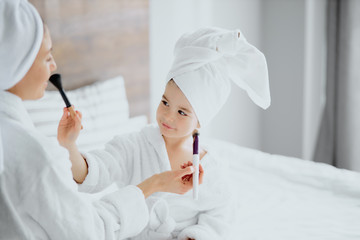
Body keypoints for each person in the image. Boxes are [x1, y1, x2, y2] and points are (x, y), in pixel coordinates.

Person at [0, 0, 198, 239]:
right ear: (16, 63)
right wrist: (153, 185)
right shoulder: (39, 158)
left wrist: (69, 146)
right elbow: (90, 230)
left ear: (200, 121)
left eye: (183, 111)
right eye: (46, 56)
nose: (54, 65)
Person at [64, 27, 271, 239]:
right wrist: (70, 146)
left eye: (182, 112)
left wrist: (198, 235)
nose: (168, 116)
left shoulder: (211, 168)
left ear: (200, 121)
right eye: (165, 102)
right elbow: (91, 174)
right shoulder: (133, 146)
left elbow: (220, 214)